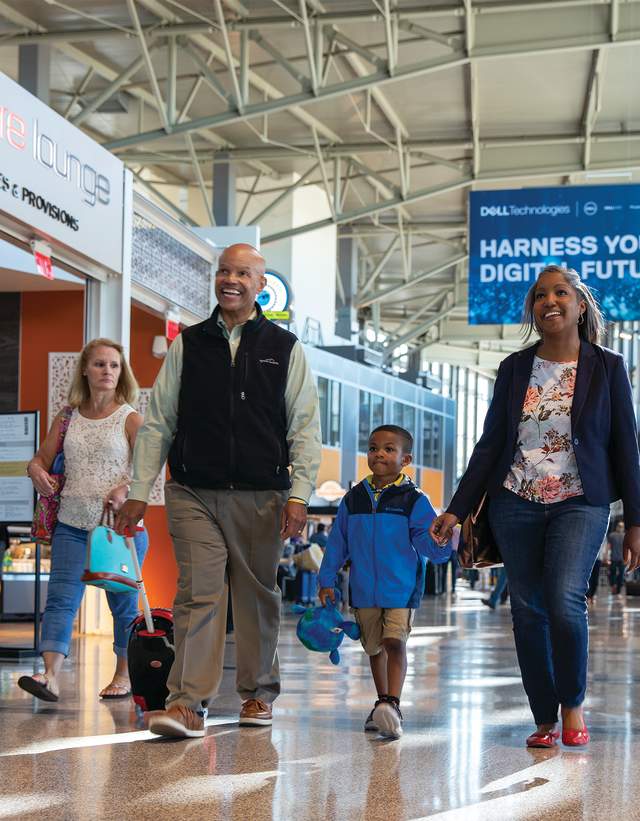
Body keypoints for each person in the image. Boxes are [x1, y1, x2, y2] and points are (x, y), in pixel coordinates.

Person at [430, 264, 640, 749]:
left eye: (561, 292)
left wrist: (635, 520)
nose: (550, 301)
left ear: (580, 306)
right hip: (515, 501)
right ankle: (544, 716)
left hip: (580, 501)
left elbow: (626, 447)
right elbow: (490, 445)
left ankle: (572, 705)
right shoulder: (514, 368)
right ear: (533, 309)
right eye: (541, 294)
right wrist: (457, 509)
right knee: (527, 610)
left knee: (565, 601)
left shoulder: (608, 366)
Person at [116, 243, 321, 739]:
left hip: (262, 494)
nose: (231, 280)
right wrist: (141, 489)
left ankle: (257, 694)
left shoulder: (284, 347)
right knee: (198, 594)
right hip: (193, 490)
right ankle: (187, 704)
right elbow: (159, 422)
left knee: (256, 597)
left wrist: (299, 493)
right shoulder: (188, 344)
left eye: (243, 273)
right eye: (224, 271)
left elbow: (304, 427)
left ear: (260, 284)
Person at [19, 339, 147, 702]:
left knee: (123, 605)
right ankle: (50, 676)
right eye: (100, 364)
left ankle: (124, 674)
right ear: (85, 371)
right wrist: (34, 470)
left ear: (122, 373)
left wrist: (125, 488)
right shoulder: (67, 417)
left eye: (114, 365)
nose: (107, 371)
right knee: (60, 600)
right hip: (71, 525)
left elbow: (150, 472)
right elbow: (41, 459)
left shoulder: (130, 418)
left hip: (119, 529)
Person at [318, 424, 451, 739]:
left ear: (406, 460)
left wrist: (441, 544)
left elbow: (426, 541)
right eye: (373, 448)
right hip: (363, 589)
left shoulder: (414, 499)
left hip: (400, 590)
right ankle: (382, 703)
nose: (379, 454)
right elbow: (338, 542)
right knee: (374, 648)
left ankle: (393, 703)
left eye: (389, 449)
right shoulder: (353, 499)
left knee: (395, 642)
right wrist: (326, 580)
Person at [608, 521, 626, 595]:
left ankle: (617, 590)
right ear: (617, 527)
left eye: (621, 526)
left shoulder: (625, 536)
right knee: (613, 573)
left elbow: (627, 548)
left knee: (620, 574)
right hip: (614, 557)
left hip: (621, 558)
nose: (620, 528)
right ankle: (614, 586)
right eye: (619, 526)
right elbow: (608, 546)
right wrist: (606, 556)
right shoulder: (612, 535)